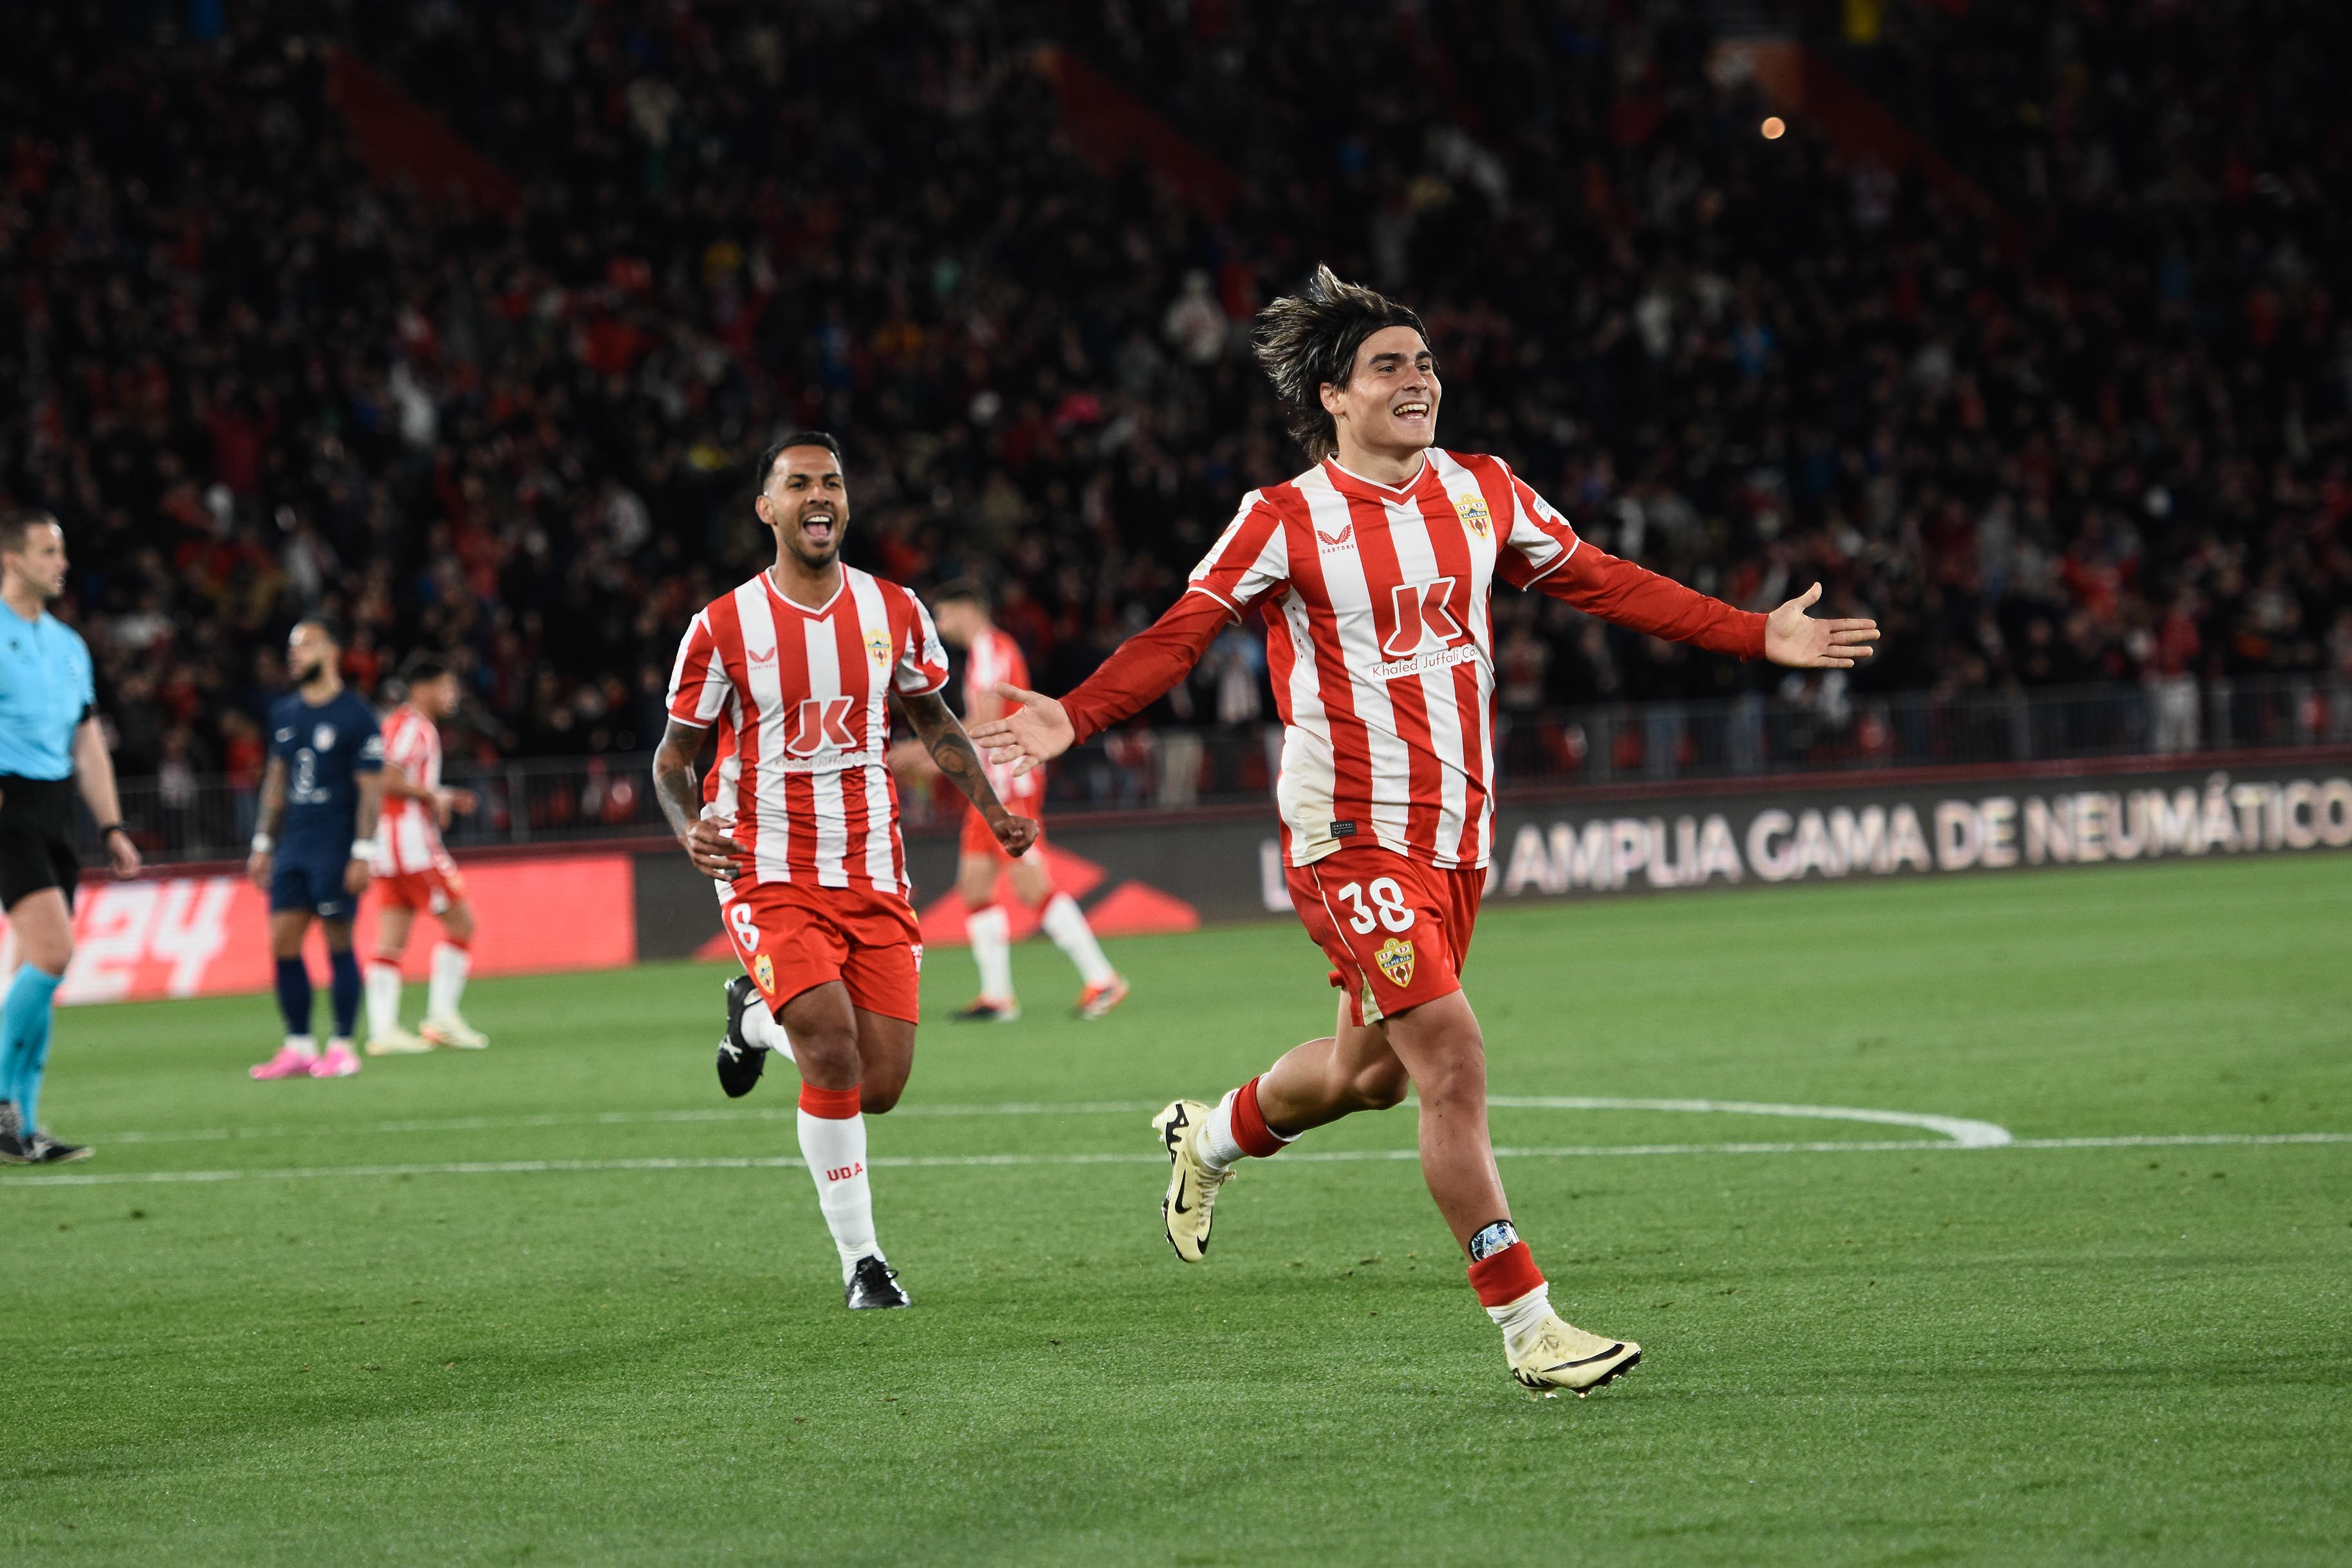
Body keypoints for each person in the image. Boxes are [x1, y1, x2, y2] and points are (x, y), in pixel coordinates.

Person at [974, 267, 1880, 1396]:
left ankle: (1205, 1138)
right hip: (1347, 830)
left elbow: (1604, 582)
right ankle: (1530, 1325)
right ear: (1333, 399)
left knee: (1370, 1074)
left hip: (1456, 835)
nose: (1420, 381)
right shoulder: (1282, 517)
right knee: (1451, 1059)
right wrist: (1078, 709)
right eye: (1390, 367)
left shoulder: (1484, 491)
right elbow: (1185, 629)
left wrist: (1753, 635)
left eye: (1426, 362)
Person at [651, 432, 1037, 1311]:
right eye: (798, 485)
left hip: (870, 867)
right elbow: (671, 761)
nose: (818, 496)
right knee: (829, 1046)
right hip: (765, 865)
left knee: (880, 1083)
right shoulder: (722, 626)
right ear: (767, 508)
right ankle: (863, 1261)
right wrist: (685, 828)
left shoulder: (894, 609)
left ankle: (751, 1023)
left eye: (830, 482)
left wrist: (991, 807)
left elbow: (933, 718)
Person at [0, 510, 140, 1164]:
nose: (62, 563)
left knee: (35, 970)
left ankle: (24, 1126)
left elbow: (88, 744)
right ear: (11, 559)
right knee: (54, 954)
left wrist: (110, 824)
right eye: (48, 551)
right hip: (9, 803)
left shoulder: (67, 645)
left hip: (56, 811)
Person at [923, 581, 1127, 1022]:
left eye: (942, 613)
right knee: (975, 885)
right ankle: (998, 996)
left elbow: (986, 719)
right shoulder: (985, 651)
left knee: (1030, 886)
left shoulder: (993, 649)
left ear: (965, 609)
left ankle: (1103, 978)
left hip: (1009, 785)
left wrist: (932, 747)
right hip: (988, 789)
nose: (939, 624)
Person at [246, 616, 385, 1081]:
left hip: (336, 842)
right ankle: (299, 1046)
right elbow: (276, 780)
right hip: (294, 844)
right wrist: (264, 842)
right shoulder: (285, 712)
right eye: (292, 647)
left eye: (304, 646)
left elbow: (370, 790)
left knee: (337, 940)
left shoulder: (357, 715)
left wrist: (363, 850)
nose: (295, 654)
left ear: (331, 652)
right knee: (282, 941)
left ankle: (343, 1044)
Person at [362, 651, 486, 1055]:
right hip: (412, 848)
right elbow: (388, 778)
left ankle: (383, 1031)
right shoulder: (412, 726)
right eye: (447, 686)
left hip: (388, 847)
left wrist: (437, 799)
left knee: (390, 941)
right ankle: (442, 1019)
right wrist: (435, 795)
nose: (453, 695)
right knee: (462, 925)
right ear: (423, 688)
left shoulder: (401, 725)